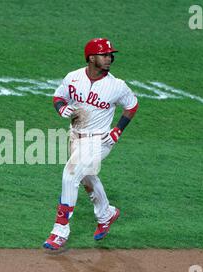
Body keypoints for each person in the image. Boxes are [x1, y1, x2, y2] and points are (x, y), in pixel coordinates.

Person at [43, 38, 139, 250]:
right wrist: (61, 109)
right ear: (91, 57)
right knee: (86, 176)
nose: (109, 59)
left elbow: (132, 106)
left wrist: (117, 131)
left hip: (100, 141)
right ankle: (106, 213)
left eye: (110, 55)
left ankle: (60, 231)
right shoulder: (73, 78)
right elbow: (58, 97)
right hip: (76, 136)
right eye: (105, 55)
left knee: (70, 174)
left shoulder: (117, 86)